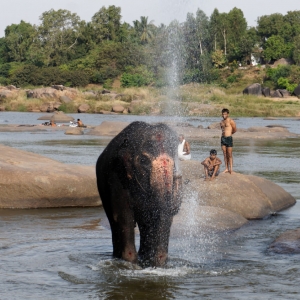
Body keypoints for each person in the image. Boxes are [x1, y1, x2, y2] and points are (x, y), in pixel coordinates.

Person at [220, 108, 237, 174]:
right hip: (223, 138)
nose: (224, 115)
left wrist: (229, 134)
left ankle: (231, 169)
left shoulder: (230, 121)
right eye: (223, 114)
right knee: (224, 154)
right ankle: (226, 168)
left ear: (228, 114)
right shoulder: (221, 122)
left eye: (225, 114)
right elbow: (222, 129)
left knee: (229, 154)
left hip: (229, 138)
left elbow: (235, 129)